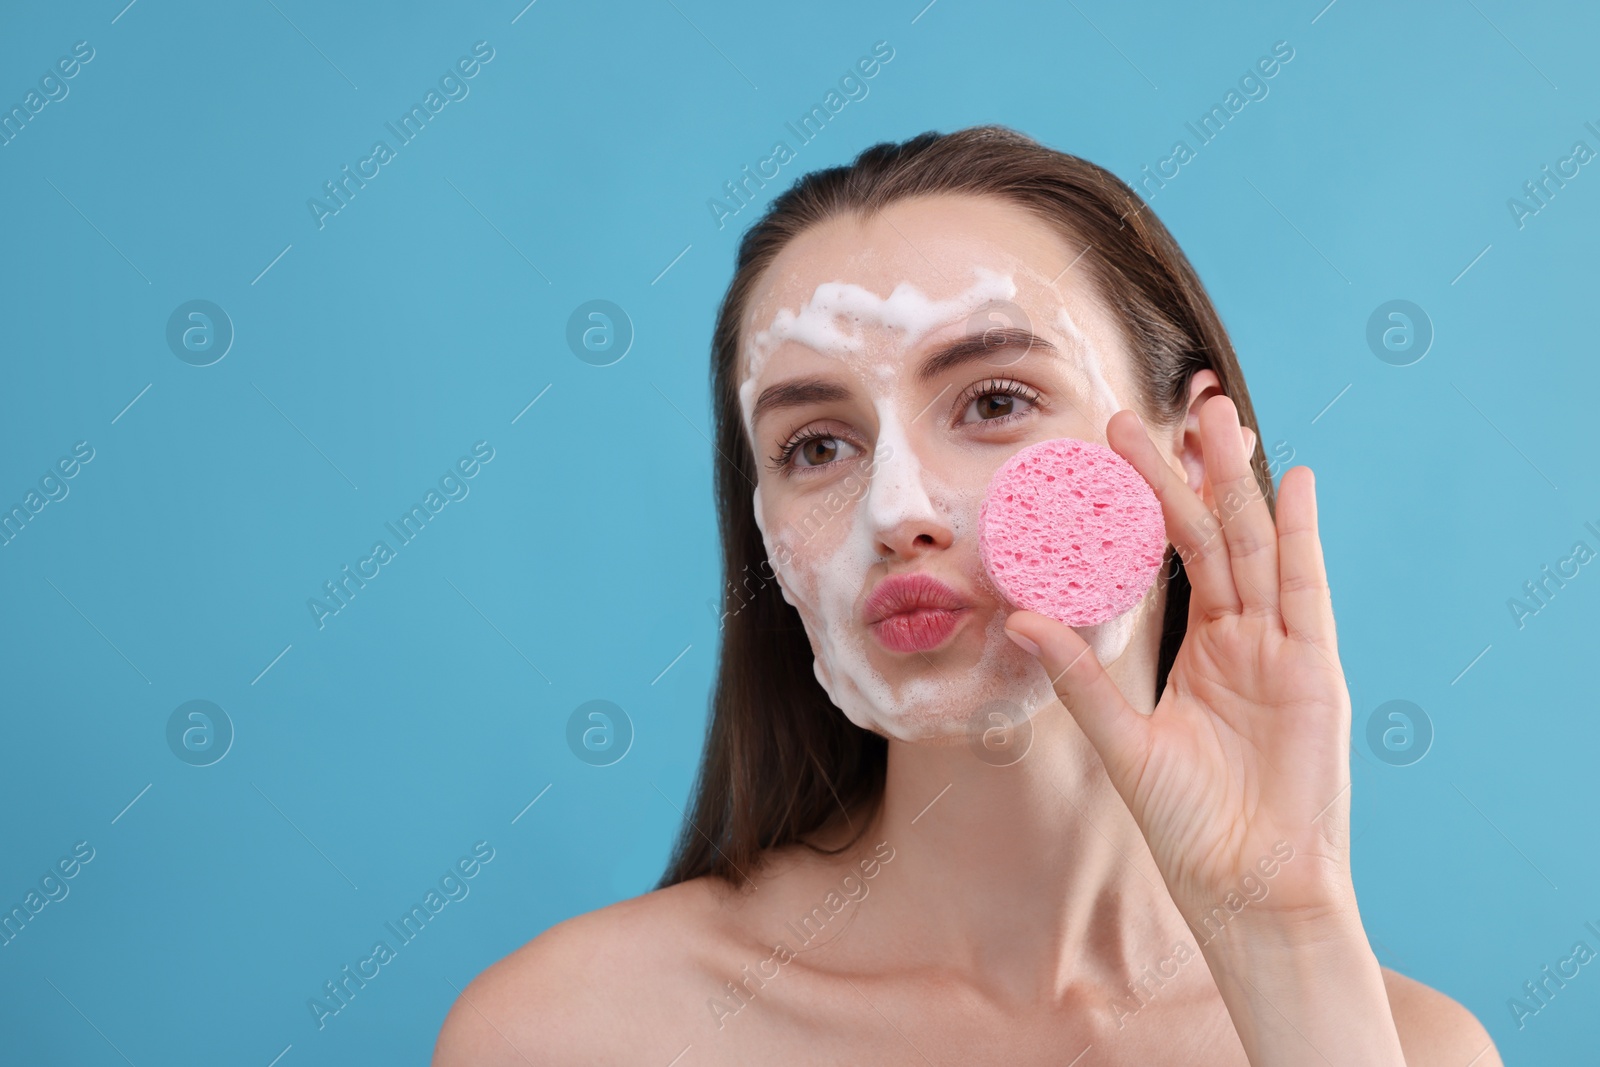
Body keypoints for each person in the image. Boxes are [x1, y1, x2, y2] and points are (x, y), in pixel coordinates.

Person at [434, 126, 1501, 1065]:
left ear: (1188, 455)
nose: (894, 510)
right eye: (815, 444)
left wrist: (1282, 929)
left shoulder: (1409, 1049)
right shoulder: (570, 1033)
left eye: (993, 399)